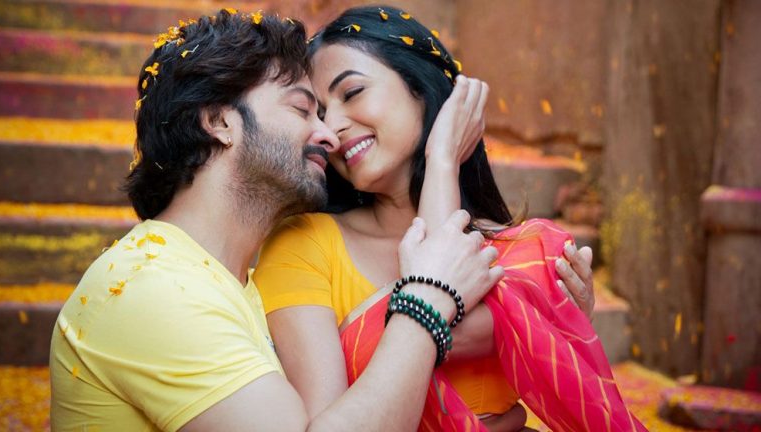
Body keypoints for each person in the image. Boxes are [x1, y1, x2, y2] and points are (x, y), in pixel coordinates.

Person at [49, 10, 504, 431]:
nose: (328, 135)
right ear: (219, 122)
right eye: (303, 109)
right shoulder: (156, 287)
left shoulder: (225, 284)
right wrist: (426, 299)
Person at [254, 6, 646, 431]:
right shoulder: (303, 246)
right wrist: (441, 158)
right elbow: (432, 308)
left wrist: (565, 325)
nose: (332, 128)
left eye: (352, 93)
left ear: (420, 89)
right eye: (319, 113)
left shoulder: (520, 252)